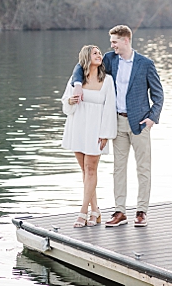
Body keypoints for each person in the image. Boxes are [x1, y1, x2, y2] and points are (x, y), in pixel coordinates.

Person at [100, 25, 164, 228]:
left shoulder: (145, 64)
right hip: (117, 122)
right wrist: (76, 84)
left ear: (126, 40)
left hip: (140, 123)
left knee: (143, 168)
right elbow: (84, 68)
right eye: (111, 42)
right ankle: (120, 211)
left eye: (115, 42)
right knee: (118, 168)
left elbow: (158, 95)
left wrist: (152, 118)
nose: (112, 45)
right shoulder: (110, 60)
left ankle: (141, 211)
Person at [61, 44, 118, 228]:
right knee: (85, 172)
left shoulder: (107, 80)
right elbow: (66, 104)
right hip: (77, 127)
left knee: (91, 170)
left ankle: (83, 212)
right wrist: (70, 101)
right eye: (95, 53)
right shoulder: (76, 79)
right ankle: (96, 211)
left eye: (100, 53)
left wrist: (106, 134)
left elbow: (110, 109)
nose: (99, 55)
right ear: (87, 57)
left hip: (96, 130)